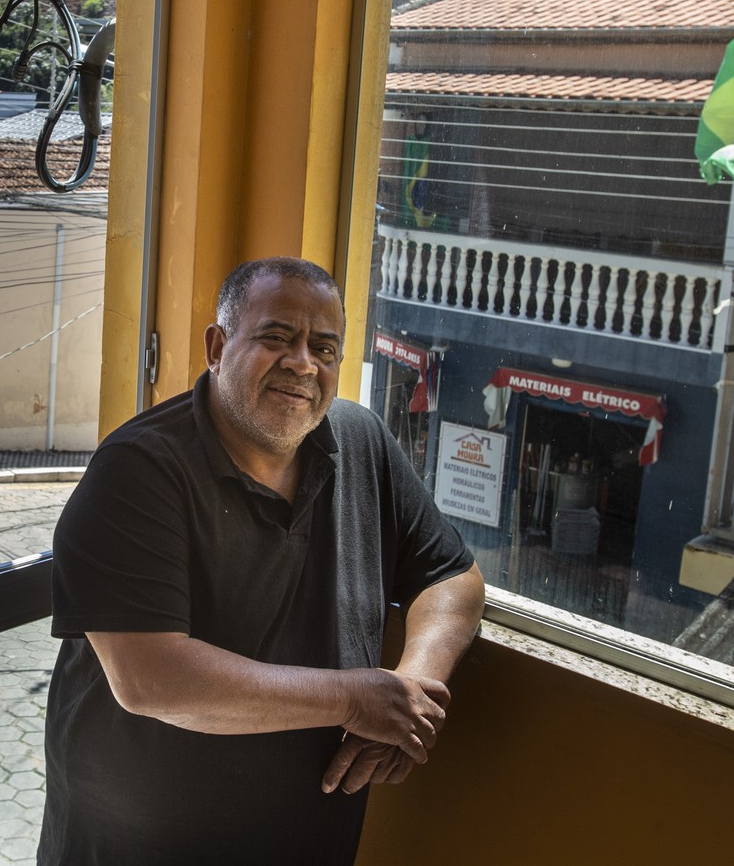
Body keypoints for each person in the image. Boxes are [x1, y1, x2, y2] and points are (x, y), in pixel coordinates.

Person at [41, 257, 486, 864]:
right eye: (277, 337)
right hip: (135, 841)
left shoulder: (360, 441)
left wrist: (409, 691)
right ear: (218, 347)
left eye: (325, 349)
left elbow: (451, 575)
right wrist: (356, 699)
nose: (303, 363)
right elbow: (148, 676)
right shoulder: (137, 470)